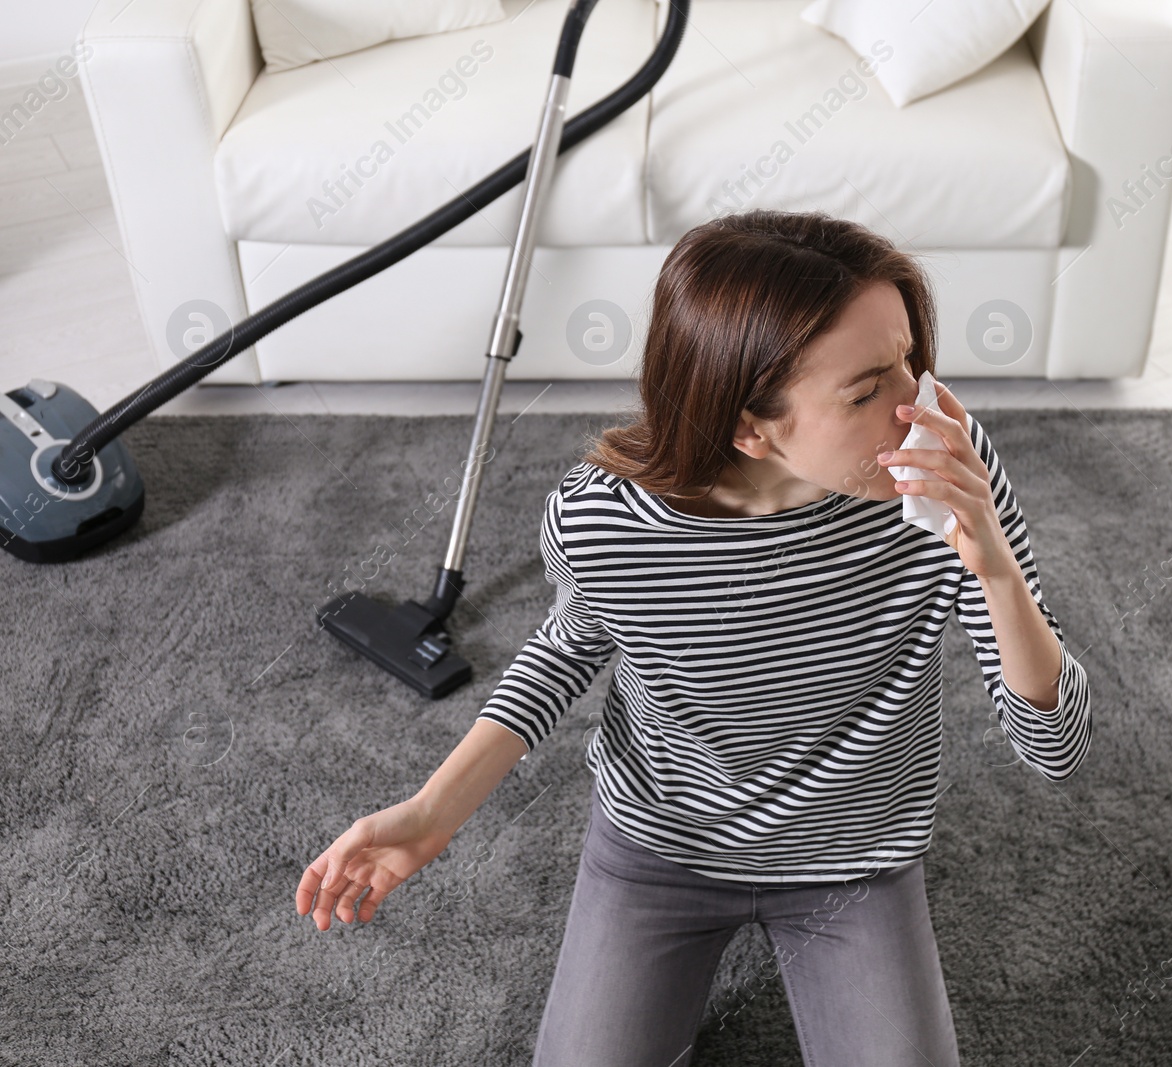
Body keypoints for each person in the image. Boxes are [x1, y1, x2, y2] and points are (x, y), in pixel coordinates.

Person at [295, 209, 1092, 1066]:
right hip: (659, 847)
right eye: (866, 391)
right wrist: (431, 812)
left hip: (853, 855)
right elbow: (569, 645)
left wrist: (997, 571)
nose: (917, 406)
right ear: (750, 427)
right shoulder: (604, 519)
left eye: (911, 359)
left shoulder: (950, 478)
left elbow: (1057, 746)